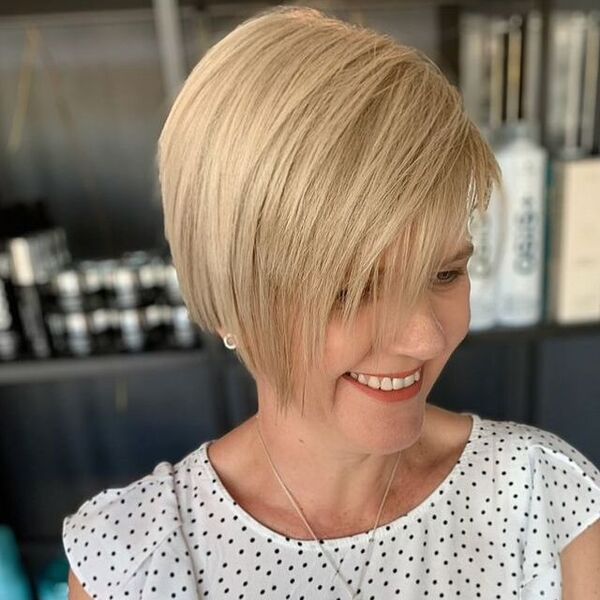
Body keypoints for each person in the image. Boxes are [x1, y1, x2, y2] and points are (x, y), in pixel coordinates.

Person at [63, 5, 600, 599]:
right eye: (352, 288)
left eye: (446, 272)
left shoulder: (544, 498)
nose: (423, 337)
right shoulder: (131, 561)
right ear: (231, 293)